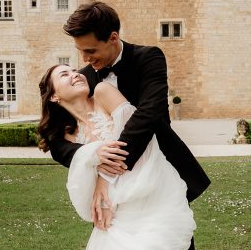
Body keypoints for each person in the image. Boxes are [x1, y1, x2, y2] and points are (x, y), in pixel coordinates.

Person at [45, 1, 210, 249]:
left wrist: (105, 174)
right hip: (116, 200)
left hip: (158, 176)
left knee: (171, 241)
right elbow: (58, 143)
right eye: (80, 51)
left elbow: (149, 115)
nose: (85, 59)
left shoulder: (148, 57)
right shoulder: (84, 77)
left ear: (113, 38)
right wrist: (93, 154)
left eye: (90, 50)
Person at [38, 64, 196, 249]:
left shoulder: (103, 92)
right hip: (115, 209)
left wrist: (102, 177)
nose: (75, 74)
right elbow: (67, 159)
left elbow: (139, 139)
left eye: (75, 70)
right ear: (54, 96)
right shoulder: (66, 136)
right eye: (65, 74)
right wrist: (92, 153)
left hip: (151, 190)